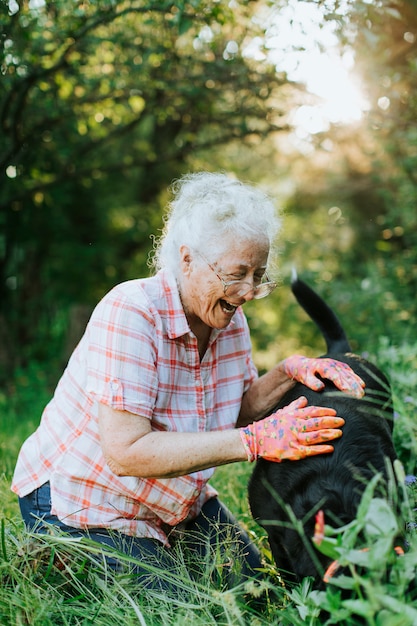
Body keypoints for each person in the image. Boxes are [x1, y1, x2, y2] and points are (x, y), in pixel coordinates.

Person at [11, 172, 364, 597]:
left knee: (259, 597)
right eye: (237, 273)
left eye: (259, 274)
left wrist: (287, 372)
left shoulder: (229, 320)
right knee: (185, 608)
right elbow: (126, 451)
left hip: (173, 500)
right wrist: (254, 441)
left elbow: (235, 411)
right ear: (186, 260)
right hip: (81, 501)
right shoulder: (132, 312)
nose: (249, 291)